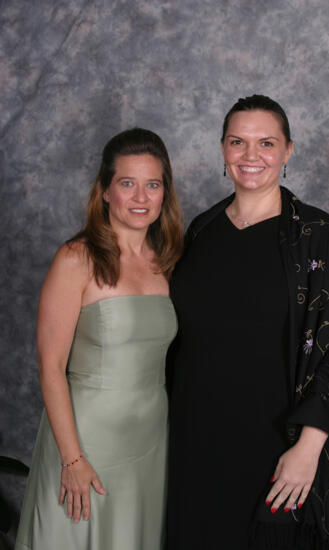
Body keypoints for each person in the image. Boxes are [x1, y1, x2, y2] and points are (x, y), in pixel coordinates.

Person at [165, 95, 329, 550]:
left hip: (277, 451)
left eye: (266, 143)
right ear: (222, 148)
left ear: (288, 150)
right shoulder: (201, 231)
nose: (250, 156)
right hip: (195, 448)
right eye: (238, 142)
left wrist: (309, 447)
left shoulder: (315, 236)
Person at [15, 128, 183, 550]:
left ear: (165, 193)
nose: (141, 197)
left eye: (153, 184)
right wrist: (72, 458)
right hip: (86, 440)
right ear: (106, 191)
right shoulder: (76, 259)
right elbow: (51, 365)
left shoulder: (170, 262)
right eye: (127, 183)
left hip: (150, 443)